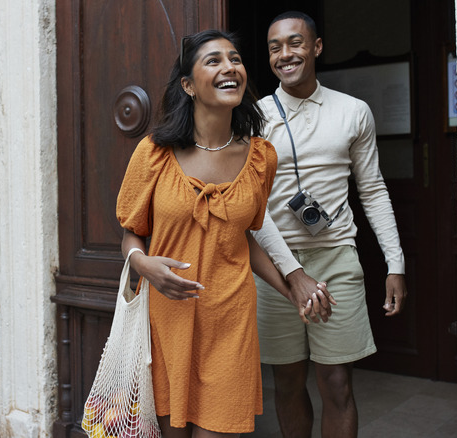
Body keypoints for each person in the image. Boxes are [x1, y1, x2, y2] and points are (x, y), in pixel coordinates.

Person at [116, 29, 289, 437]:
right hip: (167, 322)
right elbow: (131, 233)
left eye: (235, 58)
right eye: (213, 61)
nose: (229, 67)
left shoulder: (261, 158)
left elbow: (242, 237)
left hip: (230, 320)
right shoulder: (154, 152)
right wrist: (144, 265)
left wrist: (292, 287)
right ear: (188, 85)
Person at [251, 11, 409, 438]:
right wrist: (290, 272)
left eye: (296, 43)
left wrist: (396, 263)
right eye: (275, 47)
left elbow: (373, 190)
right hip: (274, 267)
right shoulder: (252, 117)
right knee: (286, 383)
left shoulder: (353, 111)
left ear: (316, 47)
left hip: (337, 256)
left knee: (336, 383)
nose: (286, 54)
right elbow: (252, 205)